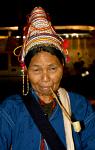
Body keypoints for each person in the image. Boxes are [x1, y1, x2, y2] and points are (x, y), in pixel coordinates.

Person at [0, 6, 95, 150]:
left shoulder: (81, 107)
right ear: (26, 70)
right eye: (36, 69)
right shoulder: (10, 110)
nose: (45, 79)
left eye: (52, 68)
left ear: (62, 66)